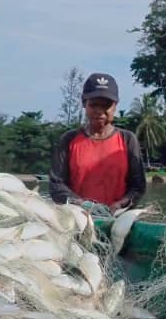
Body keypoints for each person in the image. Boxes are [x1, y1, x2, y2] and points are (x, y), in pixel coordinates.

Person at [49, 72, 145, 213]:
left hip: (115, 220)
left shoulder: (128, 139)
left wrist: (119, 205)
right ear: (84, 104)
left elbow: (138, 187)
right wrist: (82, 204)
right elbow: (56, 184)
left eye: (106, 105)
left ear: (115, 106)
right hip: (77, 218)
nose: (99, 111)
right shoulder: (69, 139)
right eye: (94, 105)